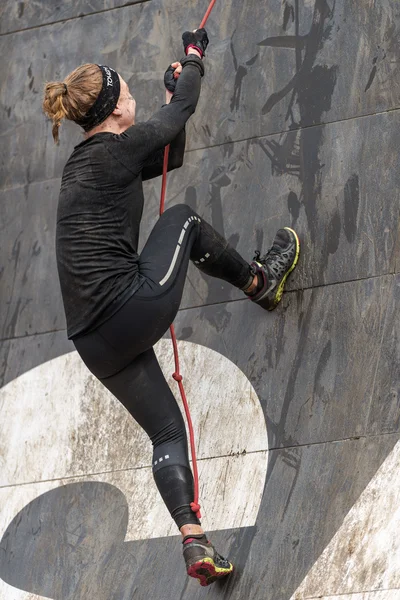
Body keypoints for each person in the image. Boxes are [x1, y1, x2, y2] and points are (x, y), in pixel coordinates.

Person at [42, 29, 300, 587]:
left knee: (166, 431)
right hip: (131, 308)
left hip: (95, 344)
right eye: (129, 94)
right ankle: (262, 281)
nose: (134, 99)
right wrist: (192, 60)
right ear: (114, 108)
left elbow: (169, 147)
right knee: (181, 218)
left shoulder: (88, 163)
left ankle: (194, 540)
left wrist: (166, 105)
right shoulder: (117, 147)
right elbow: (184, 109)